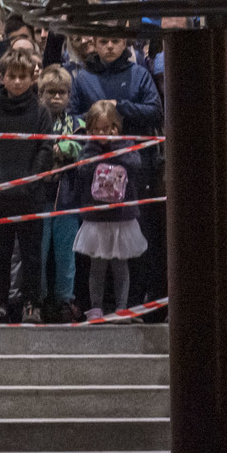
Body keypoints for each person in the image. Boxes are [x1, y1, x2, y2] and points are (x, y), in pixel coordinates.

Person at [0, 47, 55, 323]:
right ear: (2, 78)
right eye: (12, 76)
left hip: (30, 195)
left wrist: (31, 180)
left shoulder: (42, 113)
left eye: (23, 76)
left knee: (32, 254)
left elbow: (46, 149)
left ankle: (31, 304)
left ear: (33, 78)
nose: (18, 81)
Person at [73, 100, 147, 320]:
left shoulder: (126, 145)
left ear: (116, 127)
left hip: (121, 218)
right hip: (97, 218)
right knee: (97, 266)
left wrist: (115, 147)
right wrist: (95, 148)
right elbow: (82, 170)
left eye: (106, 128)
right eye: (96, 129)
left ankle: (122, 308)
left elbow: (135, 164)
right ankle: (96, 308)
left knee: (120, 264)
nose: (101, 133)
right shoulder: (88, 149)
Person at [39, 65, 86, 322]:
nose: (57, 97)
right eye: (51, 92)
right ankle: (39, 299)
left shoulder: (77, 123)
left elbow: (81, 148)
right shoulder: (35, 120)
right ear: (41, 93)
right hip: (40, 196)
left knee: (66, 252)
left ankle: (65, 299)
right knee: (38, 251)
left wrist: (63, 148)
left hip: (67, 197)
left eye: (62, 92)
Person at [68, 36, 163, 138]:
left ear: (124, 43)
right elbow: (70, 119)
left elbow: (156, 113)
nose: (110, 46)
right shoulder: (82, 79)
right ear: (95, 43)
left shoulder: (140, 74)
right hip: (93, 146)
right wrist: (96, 116)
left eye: (115, 41)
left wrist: (120, 107)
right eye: (103, 42)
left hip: (136, 145)